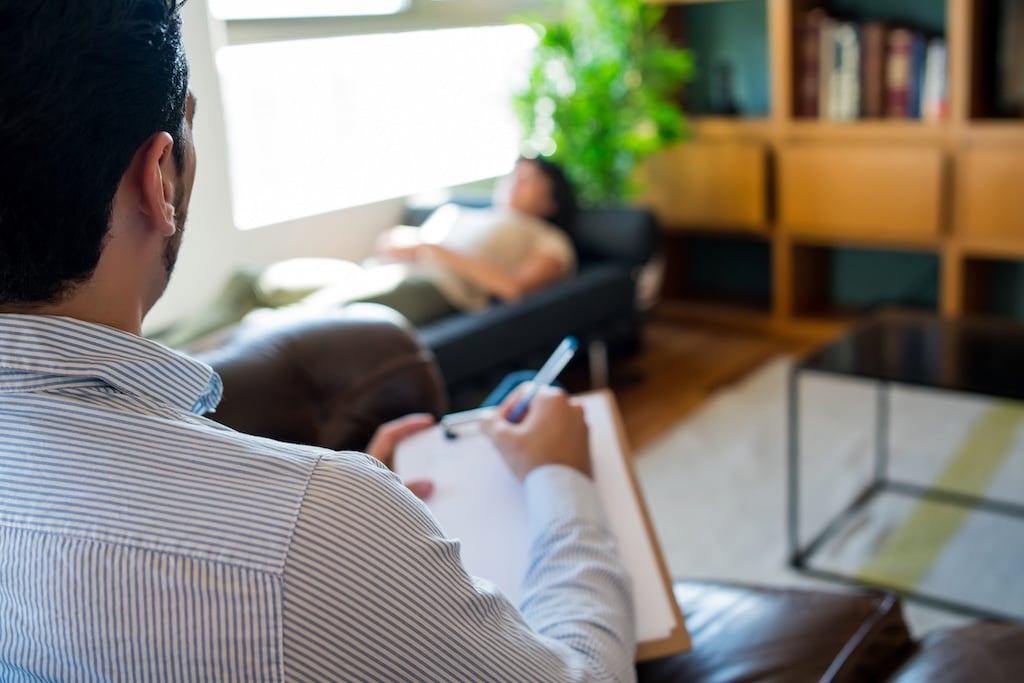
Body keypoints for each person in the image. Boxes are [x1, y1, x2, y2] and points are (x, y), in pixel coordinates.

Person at [0, 1, 636, 680]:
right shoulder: (312, 528)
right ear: (161, 177)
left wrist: (347, 540)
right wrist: (560, 475)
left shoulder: (543, 242)